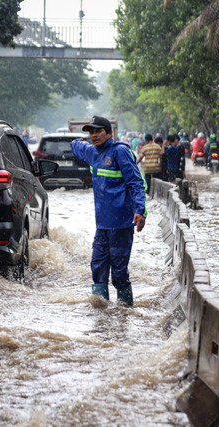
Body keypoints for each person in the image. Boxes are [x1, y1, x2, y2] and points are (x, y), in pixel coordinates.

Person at [71, 116, 147, 306]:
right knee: (97, 268)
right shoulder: (92, 152)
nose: (94, 135)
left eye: (98, 131)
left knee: (119, 272)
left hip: (121, 224)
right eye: (91, 132)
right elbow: (76, 146)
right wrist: (75, 141)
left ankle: (125, 313)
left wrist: (140, 210)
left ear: (108, 132)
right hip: (102, 225)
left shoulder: (120, 152)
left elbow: (136, 182)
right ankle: (102, 317)